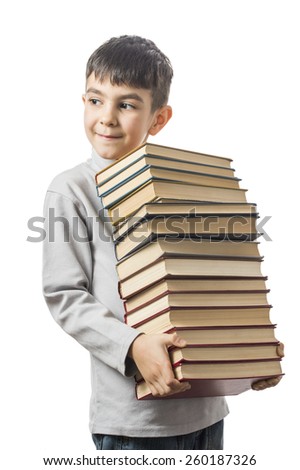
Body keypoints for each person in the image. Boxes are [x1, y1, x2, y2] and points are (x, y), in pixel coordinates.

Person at [42, 35, 283, 451]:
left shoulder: (188, 183)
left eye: (128, 104)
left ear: (159, 118)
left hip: (206, 411)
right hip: (132, 423)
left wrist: (251, 346)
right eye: (96, 100)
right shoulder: (71, 190)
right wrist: (132, 345)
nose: (107, 118)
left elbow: (217, 282)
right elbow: (65, 295)